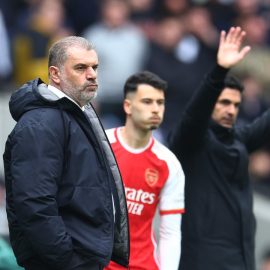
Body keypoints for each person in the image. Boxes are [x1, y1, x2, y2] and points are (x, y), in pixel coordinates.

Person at [3, 36, 129, 270]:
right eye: (81, 67)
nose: (92, 74)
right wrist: (67, 260)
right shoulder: (41, 123)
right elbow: (34, 203)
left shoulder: (76, 115)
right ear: (56, 74)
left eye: (95, 67)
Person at [169, 26, 268, 270]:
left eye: (236, 104)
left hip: (241, 259)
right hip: (201, 262)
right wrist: (219, 71)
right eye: (224, 102)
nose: (231, 110)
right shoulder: (189, 141)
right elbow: (193, 117)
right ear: (210, 101)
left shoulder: (239, 139)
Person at [105, 71, 185, 270]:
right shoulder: (100, 145)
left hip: (141, 265)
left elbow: (170, 232)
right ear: (128, 106)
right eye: (148, 102)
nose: (156, 109)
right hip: (94, 262)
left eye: (160, 103)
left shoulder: (169, 164)